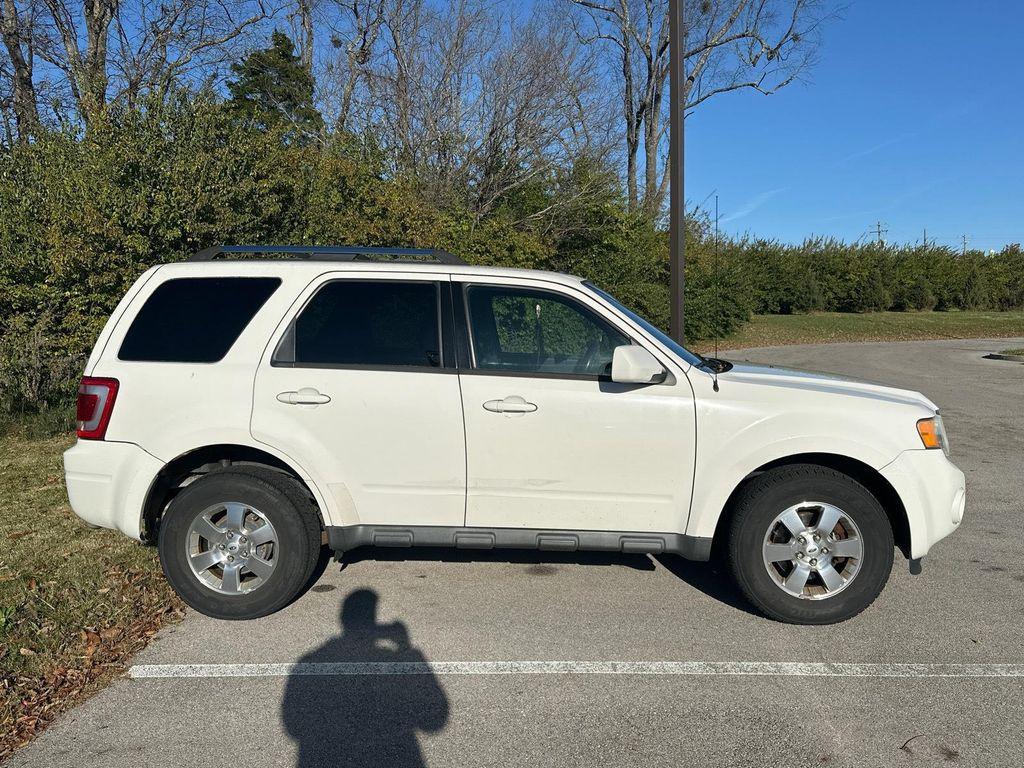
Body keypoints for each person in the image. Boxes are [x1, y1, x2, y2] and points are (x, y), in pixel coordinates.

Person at [282, 589, 449, 767]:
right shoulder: (310, 660)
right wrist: (405, 648)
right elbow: (434, 722)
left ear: (343, 619)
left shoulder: (308, 660)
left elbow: (292, 726)